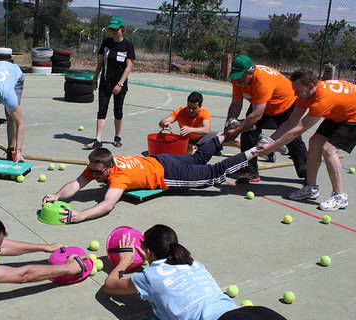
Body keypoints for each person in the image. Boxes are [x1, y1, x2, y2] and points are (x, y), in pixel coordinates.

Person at [42, 134, 259, 223]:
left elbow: (107, 205)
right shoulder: (100, 164)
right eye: (93, 171)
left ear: (109, 167)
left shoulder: (118, 177)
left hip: (168, 173)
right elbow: (76, 184)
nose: (95, 176)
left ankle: (256, 150)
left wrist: (80, 215)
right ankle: (222, 135)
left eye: (99, 173)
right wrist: (57, 195)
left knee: (214, 174)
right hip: (162, 159)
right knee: (199, 158)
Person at [103, 224, 287, 320]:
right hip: (255, 313)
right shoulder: (193, 263)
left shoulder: (150, 277)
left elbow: (109, 287)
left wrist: (124, 262)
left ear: (148, 251)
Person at [259, 69, 356, 211]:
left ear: (311, 86)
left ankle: (340, 196)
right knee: (314, 142)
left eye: (298, 90)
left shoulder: (323, 100)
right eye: (294, 90)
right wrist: (269, 141)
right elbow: (291, 123)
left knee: (328, 149)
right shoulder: (305, 96)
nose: (295, 94)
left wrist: (271, 148)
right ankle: (310, 188)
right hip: (341, 110)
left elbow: (298, 129)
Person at [224, 55, 307, 184]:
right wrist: (229, 124)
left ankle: (307, 173)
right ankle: (250, 171)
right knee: (248, 132)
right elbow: (236, 103)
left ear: (250, 72)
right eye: (235, 75)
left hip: (286, 104)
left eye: (240, 75)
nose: (237, 80)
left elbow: (257, 114)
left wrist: (236, 131)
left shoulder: (262, 81)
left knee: (292, 138)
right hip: (263, 103)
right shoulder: (237, 80)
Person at [84, 16, 135, 150]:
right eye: (111, 29)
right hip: (105, 82)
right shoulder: (106, 43)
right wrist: (95, 78)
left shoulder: (127, 45)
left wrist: (120, 84)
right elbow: (101, 62)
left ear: (122, 29)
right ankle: (98, 139)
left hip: (120, 84)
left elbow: (129, 66)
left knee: (118, 110)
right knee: (102, 109)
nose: (112, 31)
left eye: (115, 29)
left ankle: (117, 136)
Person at [159, 91, 239, 154]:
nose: (190, 110)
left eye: (194, 108)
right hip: (188, 140)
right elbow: (164, 121)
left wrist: (190, 130)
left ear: (200, 106)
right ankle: (209, 149)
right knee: (190, 151)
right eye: (189, 107)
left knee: (233, 139)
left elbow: (206, 130)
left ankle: (249, 155)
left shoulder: (204, 112)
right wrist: (164, 123)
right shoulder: (180, 111)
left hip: (203, 137)